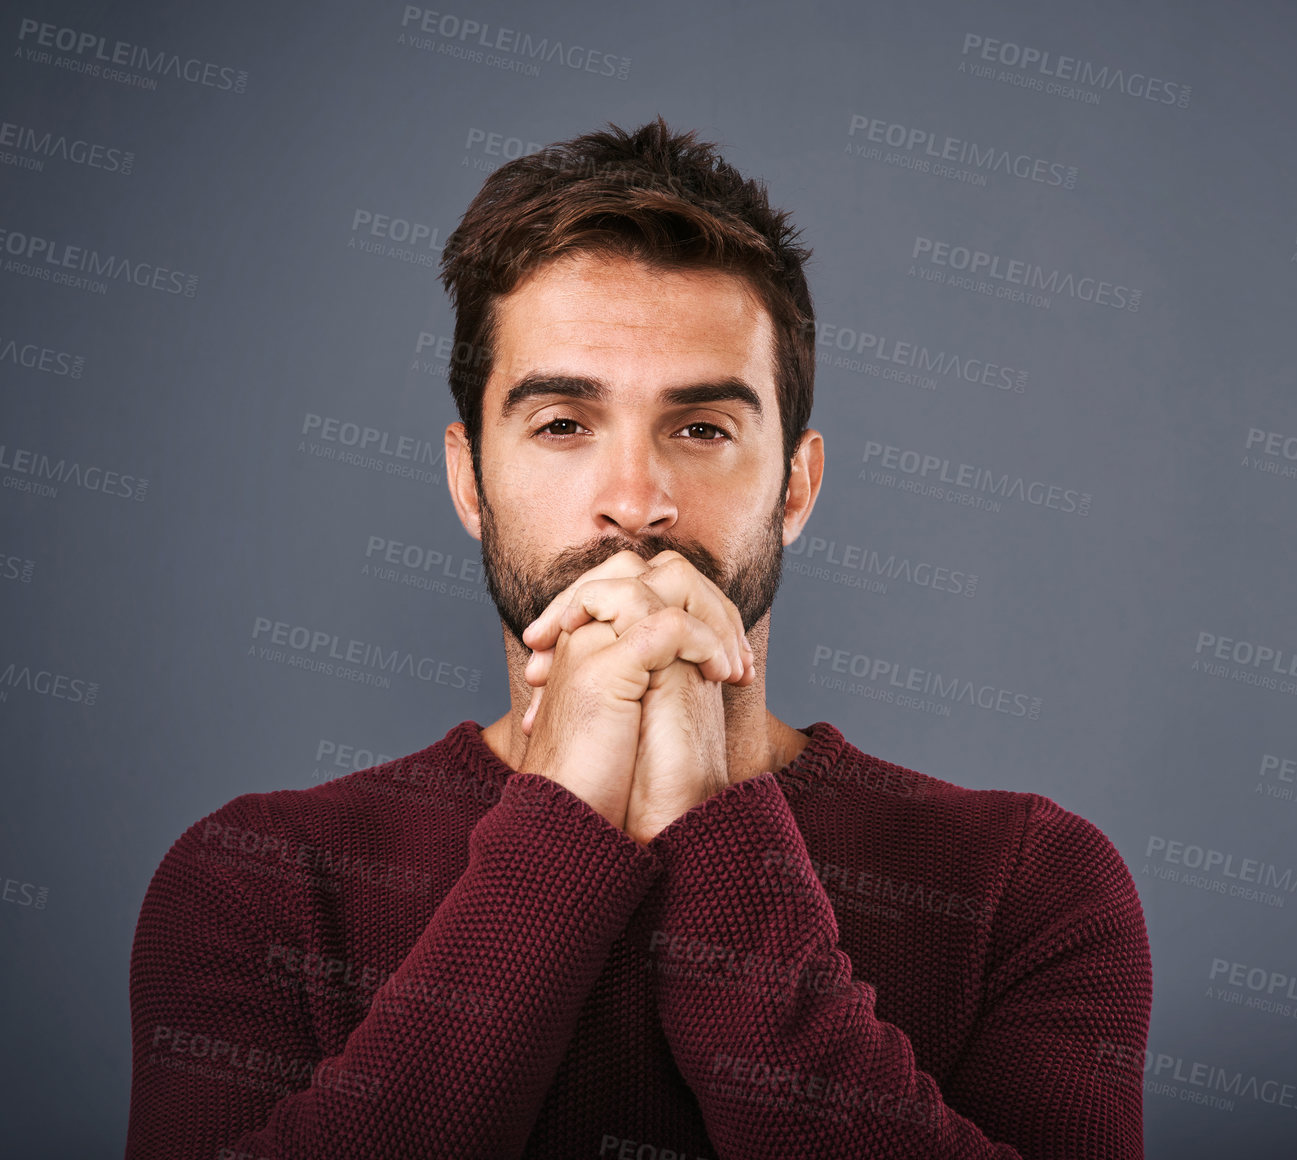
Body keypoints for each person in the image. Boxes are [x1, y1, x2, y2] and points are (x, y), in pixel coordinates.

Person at [125, 116, 1152, 1159]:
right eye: (563, 423)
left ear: (795, 485)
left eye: (702, 428)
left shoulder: (1030, 882)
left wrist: (719, 830)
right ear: (467, 480)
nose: (636, 502)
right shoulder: (250, 881)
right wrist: (560, 820)